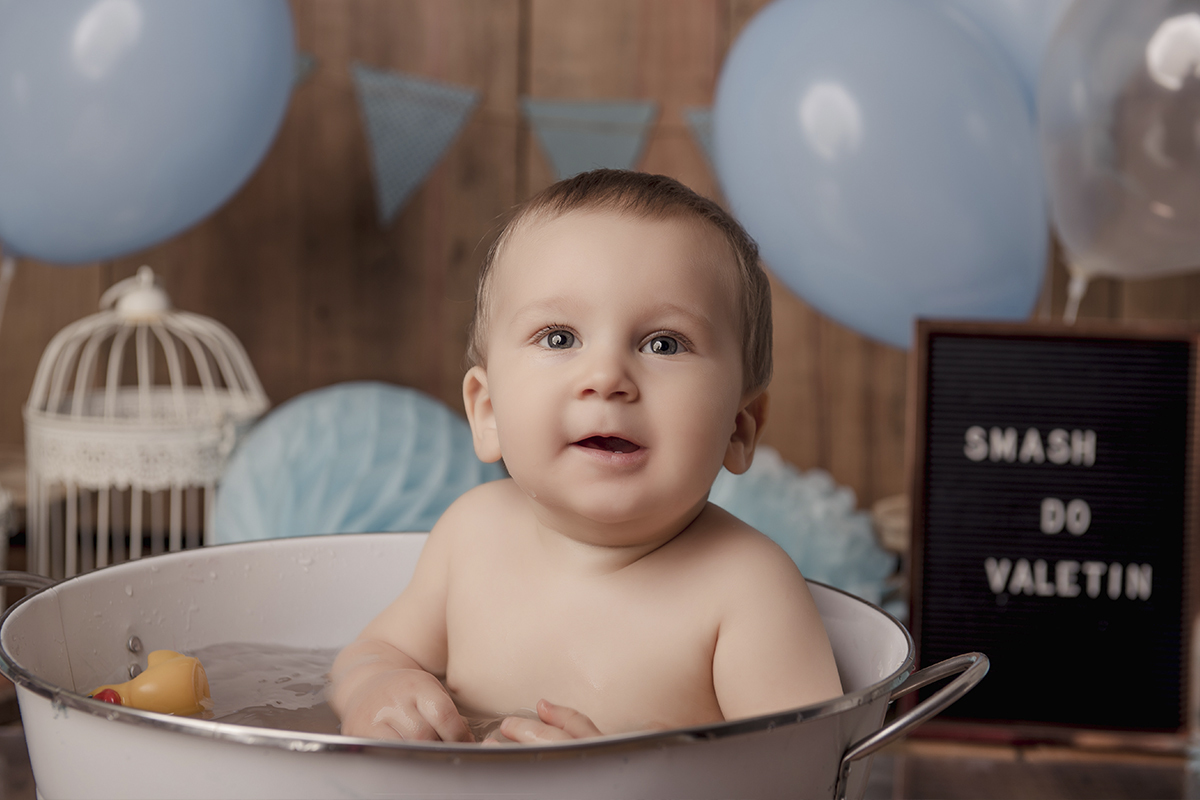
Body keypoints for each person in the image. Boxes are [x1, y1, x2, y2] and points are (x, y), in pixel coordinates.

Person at [328, 169, 842, 744]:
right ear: (489, 411)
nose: (606, 378)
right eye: (558, 337)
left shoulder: (747, 589)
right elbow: (370, 653)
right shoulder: (470, 535)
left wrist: (639, 779)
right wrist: (377, 688)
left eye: (663, 343)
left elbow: (806, 770)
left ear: (739, 430)